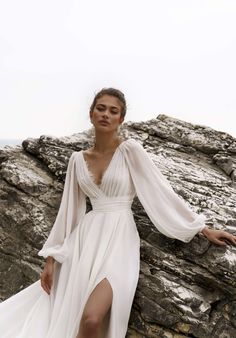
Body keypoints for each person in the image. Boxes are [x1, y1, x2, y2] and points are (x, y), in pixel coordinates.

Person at [0, 87, 236, 338]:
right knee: (74, 317)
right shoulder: (77, 160)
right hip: (84, 243)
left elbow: (160, 192)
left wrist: (201, 228)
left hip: (119, 241)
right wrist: (51, 258)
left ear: (121, 119)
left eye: (113, 111)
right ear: (91, 114)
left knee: (92, 318)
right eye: (101, 109)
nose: (106, 114)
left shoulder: (130, 150)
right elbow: (68, 212)